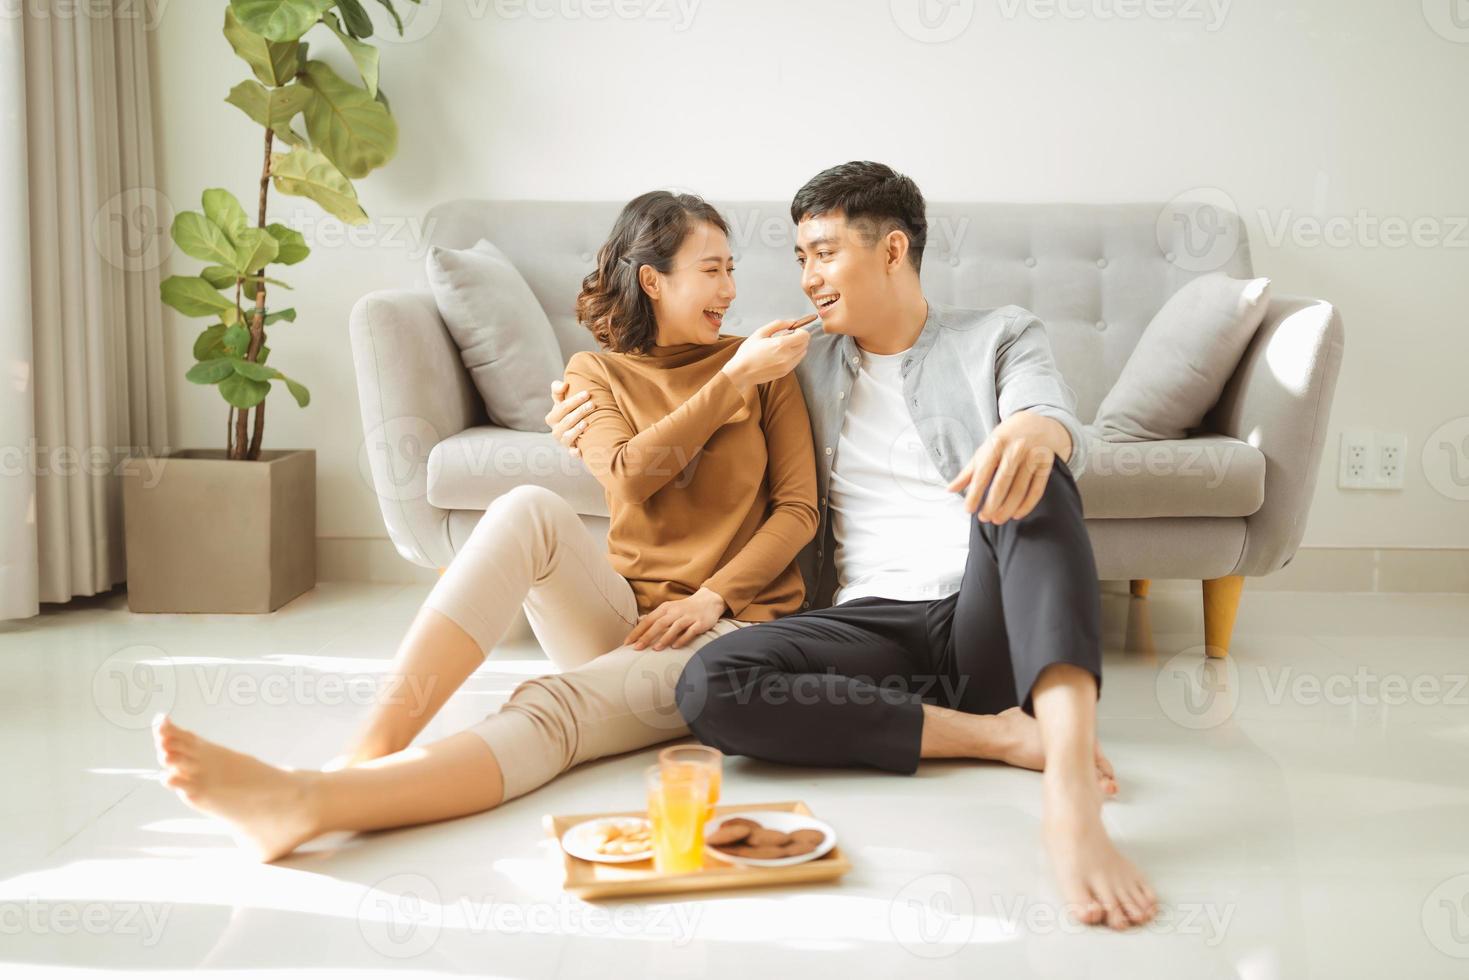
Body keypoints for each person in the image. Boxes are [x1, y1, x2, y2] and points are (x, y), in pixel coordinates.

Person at [552, 162, 1156, 931]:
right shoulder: (797, 362)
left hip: (982, 610)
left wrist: (1040, 427)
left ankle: (1070, 794)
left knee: (1029, 468)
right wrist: (572, 401)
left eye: (823, 253)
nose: (805, 278)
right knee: (711, 682)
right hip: (866, 622)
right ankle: (998, 735)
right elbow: (675, 384)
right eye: (800, 257)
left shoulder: (998, 334)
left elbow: (1047, 410)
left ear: (892, 250)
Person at [151, 190, 818, 862]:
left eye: (731, 269)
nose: (730, 289)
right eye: (712, 269)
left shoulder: (764, 369)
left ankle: (311, 805)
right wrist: (730, 381)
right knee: (524, 507)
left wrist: (714, 596)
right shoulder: (599, 373)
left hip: (727, 633)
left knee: (553, 707)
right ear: (652, 279)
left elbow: (798, 511)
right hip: (626, 617)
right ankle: (364, 753)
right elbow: (631, 474)